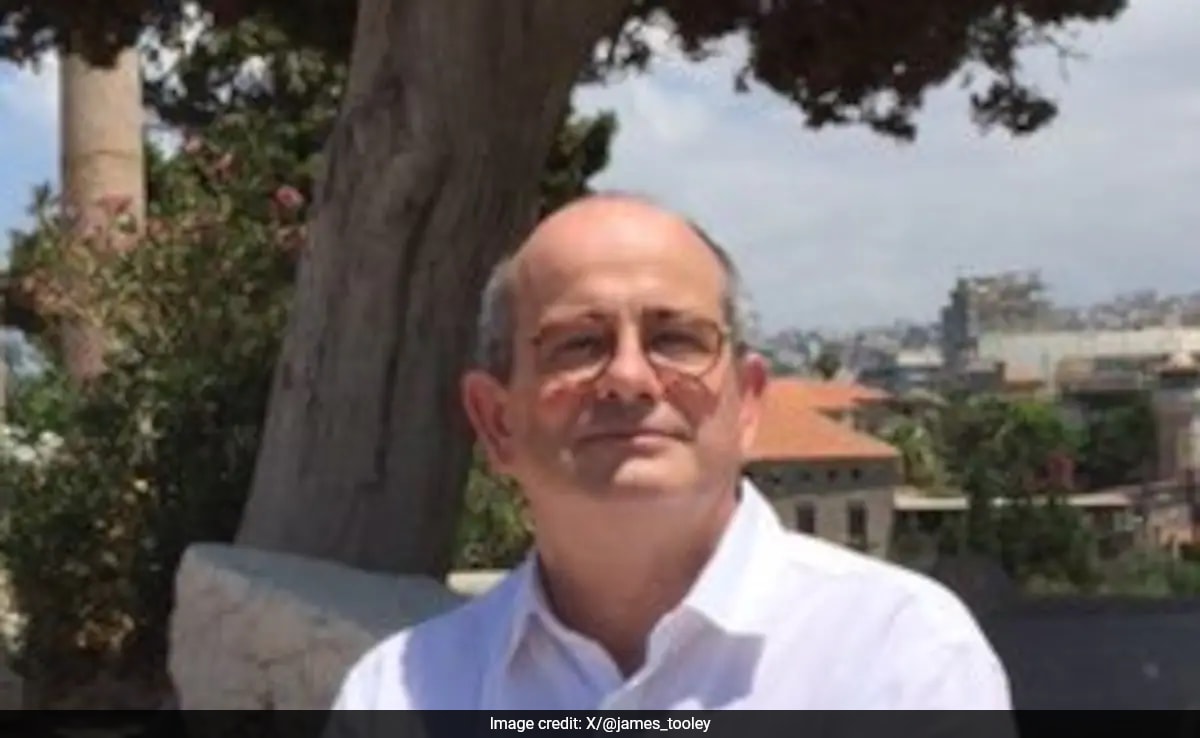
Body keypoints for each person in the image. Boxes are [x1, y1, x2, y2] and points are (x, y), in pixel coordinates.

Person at [330, 193, 1013, 710]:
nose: (629, 377)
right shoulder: (399, 696)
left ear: (747, 405)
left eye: (676, 340)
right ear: (496, 421)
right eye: (579, 344)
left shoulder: (897, 655)